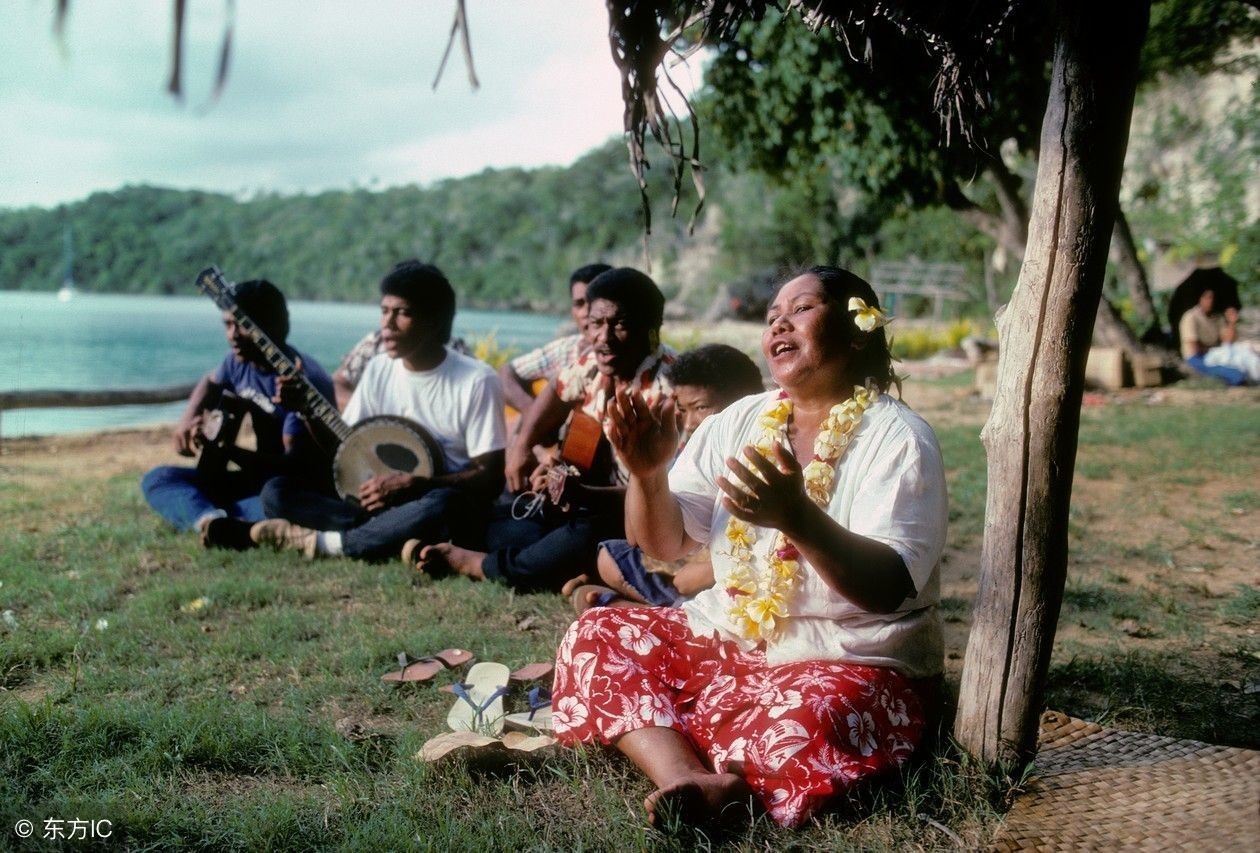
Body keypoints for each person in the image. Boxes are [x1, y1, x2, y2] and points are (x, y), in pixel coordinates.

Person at [552, 266, 948, 829]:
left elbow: (885, 589)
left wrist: (798, 519)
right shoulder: (741, 418)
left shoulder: (900, 438)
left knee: (810, 719)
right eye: (771, 316)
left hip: (846, 658)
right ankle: (686, 779)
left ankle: (713, 760)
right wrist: (646, 475)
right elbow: (664, 542)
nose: (780, 322)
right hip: (731, 637)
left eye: (803, 309)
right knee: (598, 634)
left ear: (859, 329)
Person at [410, 267, 675, 592]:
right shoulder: (595, 364)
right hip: (582, 504)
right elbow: (556, 390)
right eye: (595, 324)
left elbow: (665, 496)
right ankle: (566, 568)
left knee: (583, 534)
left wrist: (585, 495)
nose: (603, 339)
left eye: (619, 324)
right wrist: (525, 446)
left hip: (630, 520)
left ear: (652, 330)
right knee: (510, 521)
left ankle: (478, 564)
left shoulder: (668, 395)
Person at [250, 260, 506, 560]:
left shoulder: (477, 379)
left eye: (403, 313)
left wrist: (417, 485)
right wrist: (306, 411)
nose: (388, 324)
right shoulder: (378, 368)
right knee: (277, 491)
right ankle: (388, 537)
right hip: (374, 503)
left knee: (444, 503)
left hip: (433, 504)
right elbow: (343, 447)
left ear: (434, 321)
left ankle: (333, 544)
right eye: (384, 311)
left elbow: (490, 479)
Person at [566, 343, 765, 610]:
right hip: (686, 559)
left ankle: (622, 607)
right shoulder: (690, 445)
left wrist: (713, 570)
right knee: (611, 556)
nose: (691, 423)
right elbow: (636, 537)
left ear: (747, 399)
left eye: (702, 407)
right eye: (684, 410)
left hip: (748, 574)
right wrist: (644, 471)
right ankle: (640, 608)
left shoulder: (768, 441)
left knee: (695, 586)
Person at [140, 279, 334, 550]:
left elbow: (294, 465)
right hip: (254, 480)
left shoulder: (300, 381)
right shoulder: (238, 360)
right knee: (158, 479)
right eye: (227, 325)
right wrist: (188, 420)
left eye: (243, 325)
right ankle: (212, 521)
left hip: (291, 489)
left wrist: (227, 451)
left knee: (270, 504)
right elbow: (211, 381)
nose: (233, 335)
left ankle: (225, 519)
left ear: (272, 327)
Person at [498, 263, 611, 416]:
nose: (586, 312)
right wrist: (534, 413)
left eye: (592, 302)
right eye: (579, 304)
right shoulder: (566, 349)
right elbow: (506, 373)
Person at [1178, 287, 1257, 386]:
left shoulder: (1217, 317)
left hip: (1216, 354)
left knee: (1248, 358)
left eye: (1212, 298)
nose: (1210, 301)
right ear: (1199, 299)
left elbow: (1227, 341)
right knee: (1236, 375)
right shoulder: (1191, 317)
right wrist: (1216, 353)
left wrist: (1232, 322)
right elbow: (1193, 347)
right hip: (1197, 358)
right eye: (1207, 298)